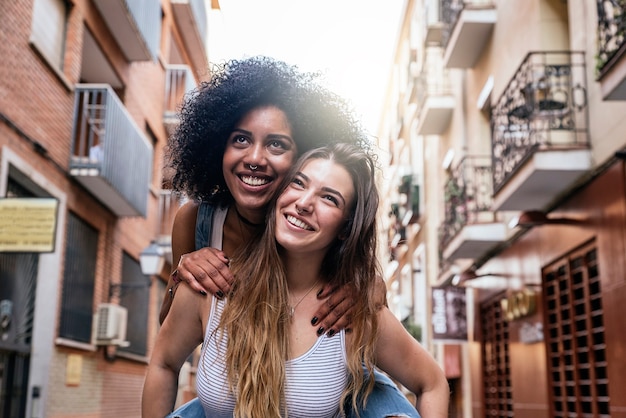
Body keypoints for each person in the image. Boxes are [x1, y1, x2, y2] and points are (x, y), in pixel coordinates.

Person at [159, 56, 421, 417]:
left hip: (319, 378)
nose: (255, 157)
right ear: (218, 146)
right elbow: (171, 330)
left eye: (277, 145)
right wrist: (184, 271)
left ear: (301, 158)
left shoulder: (299, 215)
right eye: (240, 139)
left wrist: (367, 286)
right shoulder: (196, 220)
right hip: (242, 376)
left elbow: (367, 289)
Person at [142, 144, 450, 418]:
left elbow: (432, 383)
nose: (304, 203)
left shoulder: (351, 310)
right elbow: (164, 364)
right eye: (298, 183)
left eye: (329, 198)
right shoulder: (210, 286)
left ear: (346, 228)